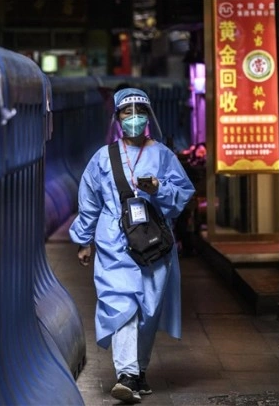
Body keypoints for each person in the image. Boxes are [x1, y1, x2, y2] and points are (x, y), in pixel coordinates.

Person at [69, 88, 195, 403]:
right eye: (128, 112)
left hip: (154, 245)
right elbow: (89, 201)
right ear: (118, 117)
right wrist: (84, 240)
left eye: (140, 110)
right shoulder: (103, 158)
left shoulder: (164, 155)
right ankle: (126, 373)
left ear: (149, 115)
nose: (134, 117)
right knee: (122, 304)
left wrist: (159, 188)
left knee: (148, 312)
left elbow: (183, 193)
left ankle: (138, 373)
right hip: (113, 243)